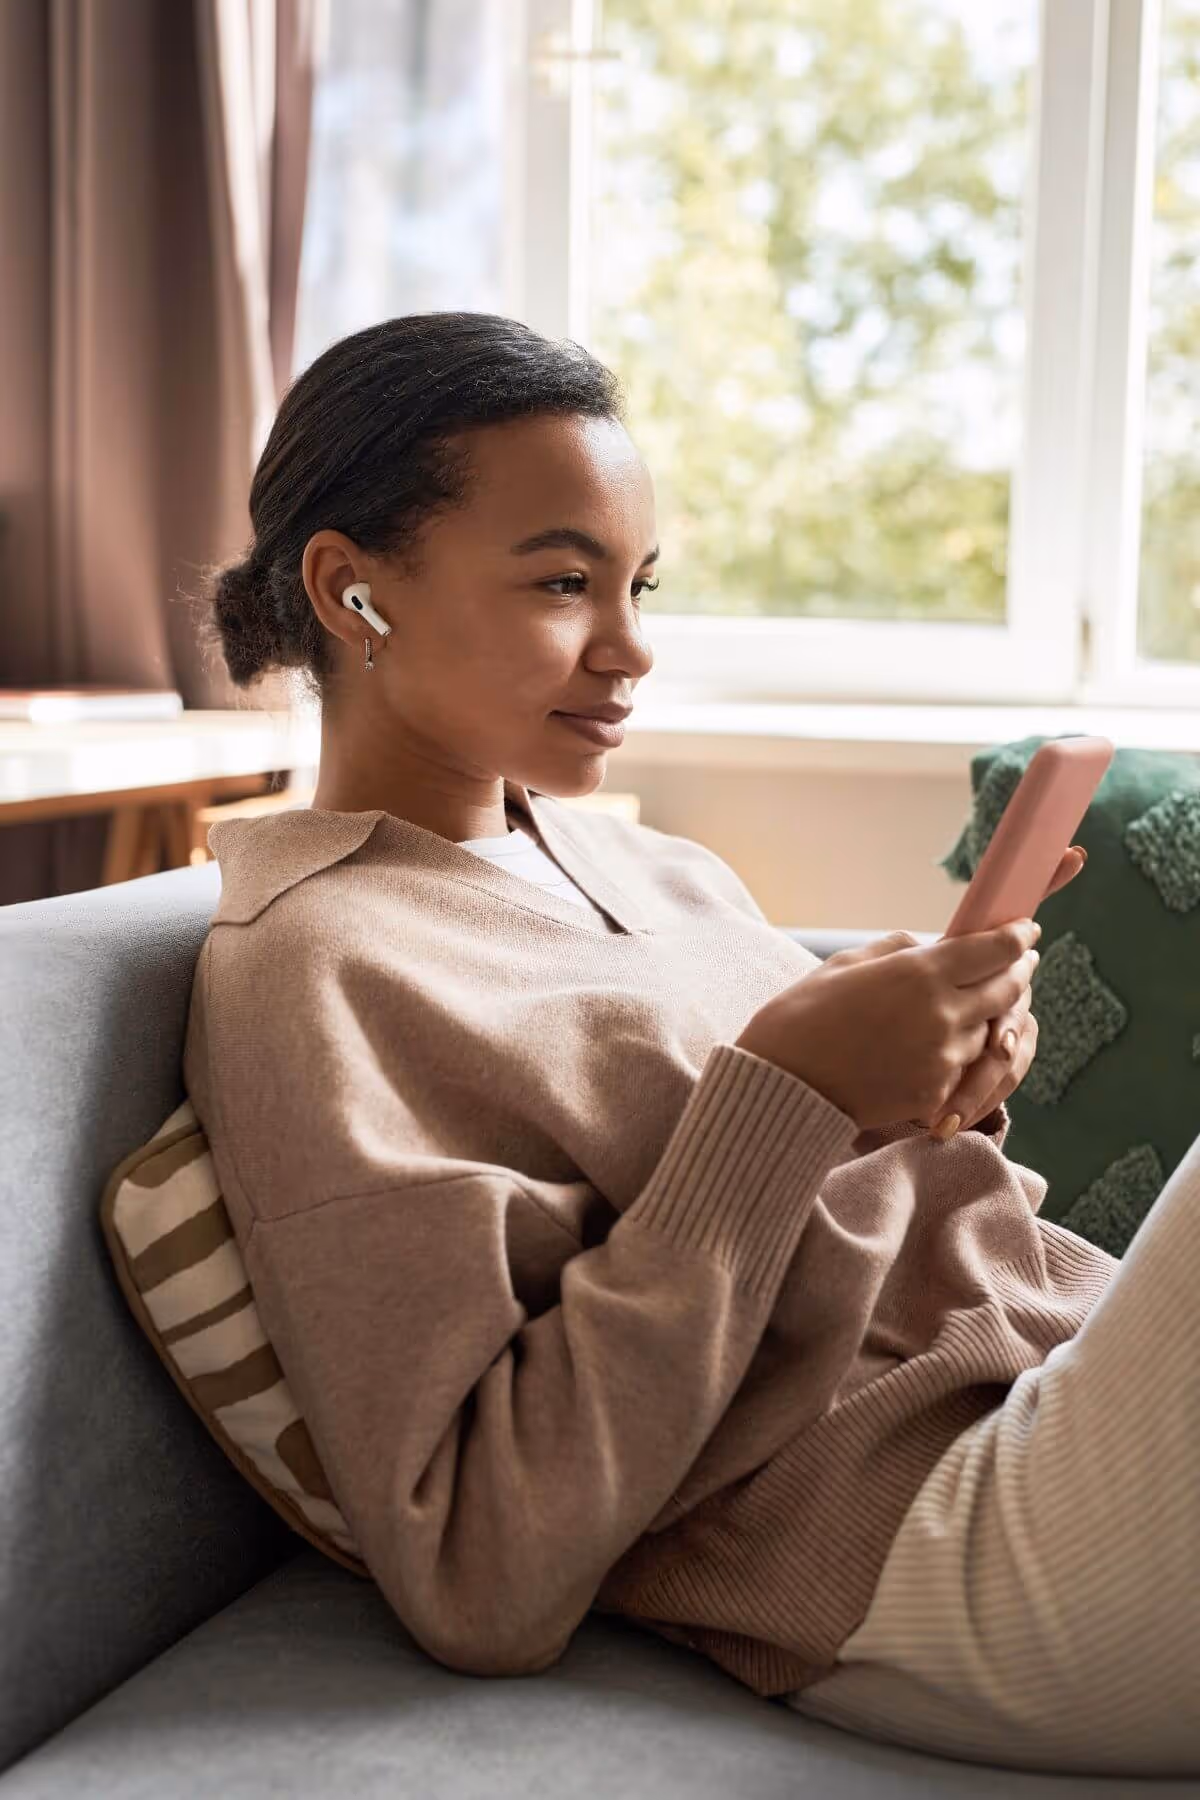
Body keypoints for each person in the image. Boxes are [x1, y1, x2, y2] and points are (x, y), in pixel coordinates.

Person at [185, 312, 1197, 1777]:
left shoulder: (659, 870)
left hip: (1069, 1371)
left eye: (640, 585)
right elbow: (481, 1569)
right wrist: (785, 1094)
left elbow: (815, 1211)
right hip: (955, 1540)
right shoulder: (313, 970)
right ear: (352, 593)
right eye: (560, 583)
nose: (631, 647)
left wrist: (937, 1102)